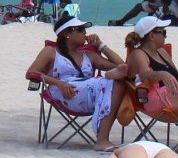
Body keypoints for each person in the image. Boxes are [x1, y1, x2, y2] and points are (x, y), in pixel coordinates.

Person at [26, 18, 127, 148]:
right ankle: (102, 140)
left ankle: (103, 138)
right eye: (80, 29)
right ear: (66, 34)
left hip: (90, 93)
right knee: (109, 83)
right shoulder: (51, 52)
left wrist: (101, 46)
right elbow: (32, 73)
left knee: (118, 82)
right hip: (65, 93)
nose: (84, 33)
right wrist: (58, 83)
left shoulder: (88, 54)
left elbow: (121, 66)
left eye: (84, 29)